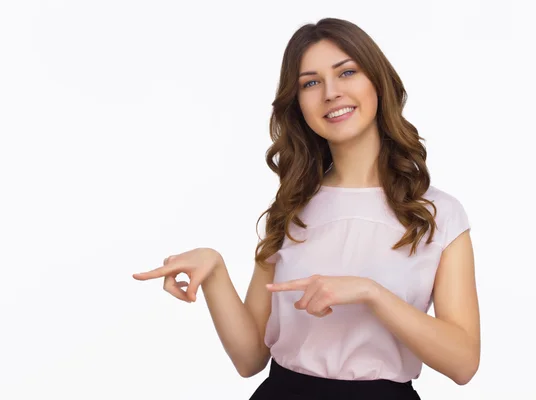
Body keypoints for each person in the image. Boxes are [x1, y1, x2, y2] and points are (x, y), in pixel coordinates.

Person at [132, 18, 480, 400]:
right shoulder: (291, 207)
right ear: (297, 103)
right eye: (310, 83)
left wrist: (370, 293)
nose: (331, 93)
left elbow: (463, 364)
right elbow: (250, 359)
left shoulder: (437, 214)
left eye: (347, 72)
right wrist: (215, 270)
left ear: (377, 82)